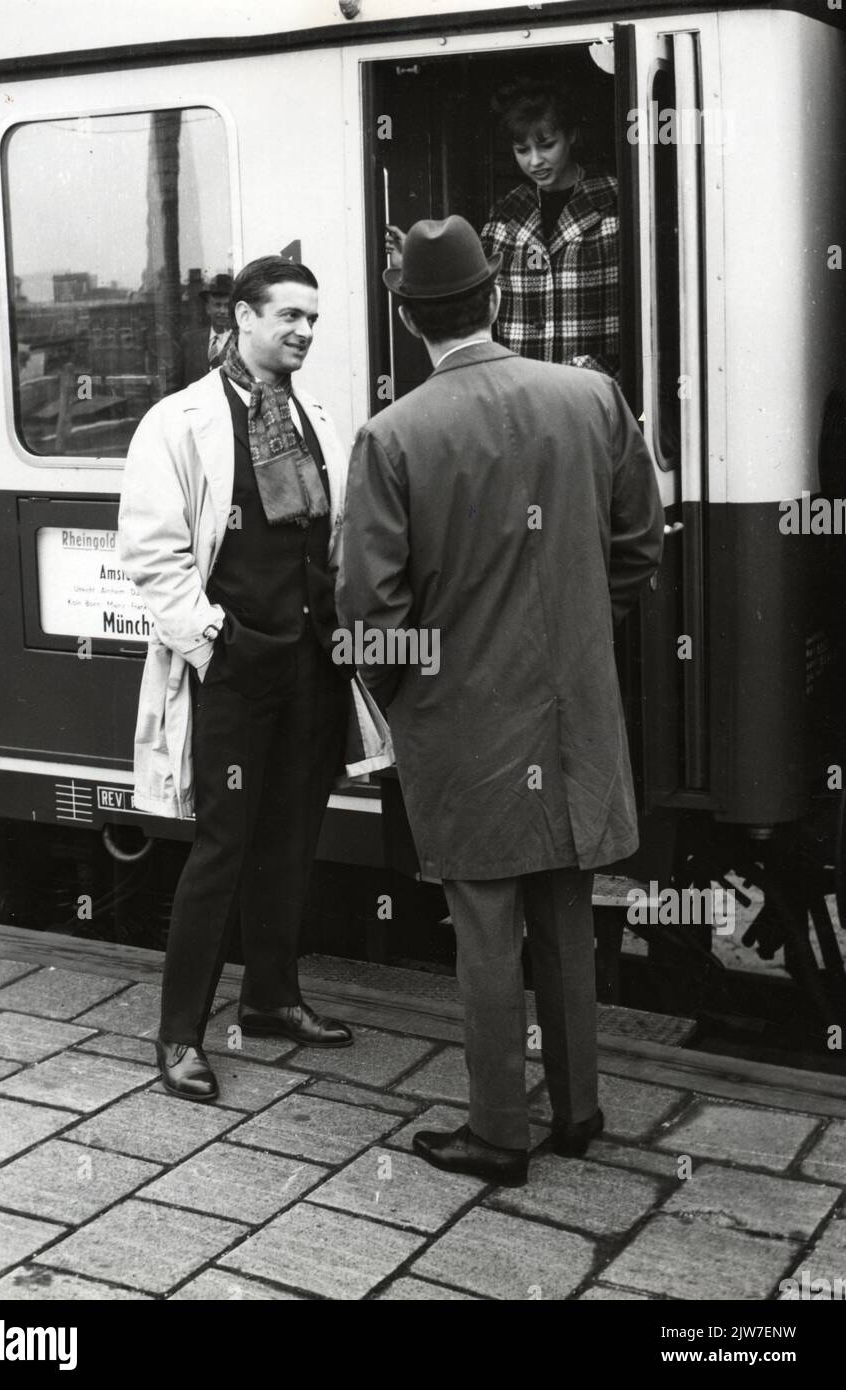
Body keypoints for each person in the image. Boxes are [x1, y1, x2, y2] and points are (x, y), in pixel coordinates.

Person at [337, 216, 663, 1184]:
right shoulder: (592, 397)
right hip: (571, 717)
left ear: (407, 318)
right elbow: (637, 551)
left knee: (485, 929)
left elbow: (367, 614)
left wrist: (415, 693)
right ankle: (577, 1110)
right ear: (498, 299)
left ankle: (494, 1134)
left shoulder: (391, 435)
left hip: (465, 725)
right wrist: (568, 638)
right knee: (567, 909)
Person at [119, 255, 359, 1105]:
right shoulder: (179, 422)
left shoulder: (316, 420)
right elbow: (151, 554)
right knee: (222, 849)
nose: (304, 332)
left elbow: (333, 538)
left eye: (313, 319)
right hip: (233, 670)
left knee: (294, 838)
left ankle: (270, 998)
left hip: (309, 667)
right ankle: (179, 1034)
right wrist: (214, 645)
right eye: (289, 316)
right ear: (243, 318)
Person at [387, 79, 619, 375]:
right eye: (522, 149)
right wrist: (413, 265)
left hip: (593, 385)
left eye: (547, 145)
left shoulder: (614, 202)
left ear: (571, 135)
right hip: (519, 389)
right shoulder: (506, 213)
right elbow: (469, 300)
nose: (535, 161)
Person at [181, 272, 234, 385]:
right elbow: (178, 384)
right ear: (208, 308)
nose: (223, 311)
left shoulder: (243, 341)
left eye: (227, 306)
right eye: (217, 305)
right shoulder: (190, 341)